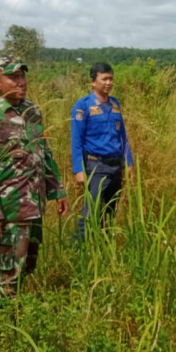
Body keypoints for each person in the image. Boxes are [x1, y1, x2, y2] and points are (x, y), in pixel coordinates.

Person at [0, 55, 69, 303]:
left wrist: (57, 190)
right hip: (9, 212)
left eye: (22, 75)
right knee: (6, 276)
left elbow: (44, 152)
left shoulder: (32, 111)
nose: (20, 81)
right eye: (12, 77)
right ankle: (4, 330)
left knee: (26, 268)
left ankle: (17, 321)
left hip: (34, 207)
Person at [70, 62, 134, 240]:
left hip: (115, 166)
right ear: (93, 81)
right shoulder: (83, 106)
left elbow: (122, 135)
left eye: (111, 79)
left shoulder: (115, 104)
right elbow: (76, 140)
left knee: (110, 211)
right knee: (91, 211)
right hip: (96, 166)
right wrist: (78, 170)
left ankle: (103, 247)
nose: (108, 83)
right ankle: (79, 249)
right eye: (104, 79)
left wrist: (128, 162)